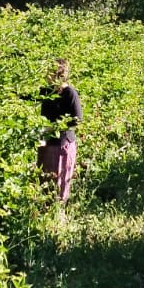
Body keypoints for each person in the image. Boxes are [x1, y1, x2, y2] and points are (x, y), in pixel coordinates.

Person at [37, 58, 82, 204]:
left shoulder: (70, 93)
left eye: (50, 73)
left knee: (59, 180)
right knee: (44, 179)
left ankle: (57, 213)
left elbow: (77, 119)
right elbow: (28, 98)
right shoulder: (46, 91)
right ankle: (44, 211)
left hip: (62, 144)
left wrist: (55, 127)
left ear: (59, 75)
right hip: (46, 142)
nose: (46, 75)